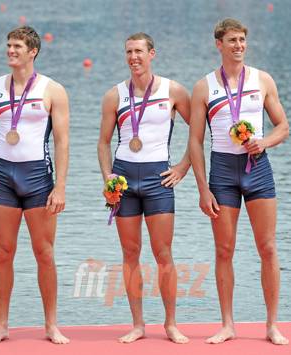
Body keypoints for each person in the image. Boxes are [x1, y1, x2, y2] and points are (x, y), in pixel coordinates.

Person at [188, 18, 289, 345]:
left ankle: (272, 325)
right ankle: (228, 324)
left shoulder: (263, 80)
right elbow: (194, 142)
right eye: (232, 40)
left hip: (257, 167)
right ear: (219, 44)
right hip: (222, 173)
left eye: (242, 40)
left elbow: (283, 127)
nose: (239, 46)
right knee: (224, 249)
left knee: (268, 247)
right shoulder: (205, 87)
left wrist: (264, 142)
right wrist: (203, 189)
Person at [0, 26, 70, 345]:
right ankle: (1, 325)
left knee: (44, 253)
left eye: (17, 46)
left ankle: (51, 325)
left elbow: (62, 141)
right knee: (4, 253)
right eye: (8, 45)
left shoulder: (52, 90)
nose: (11, 50)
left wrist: (60, 187)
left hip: (38, 178)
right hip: (2, 176)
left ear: (33, 52)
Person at [97, 32, 191, 344]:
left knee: (163, 253)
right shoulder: (115, 95)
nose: (133, 57)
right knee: (130, 253)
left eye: (139, 51)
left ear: (152, 54)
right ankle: (138, 325)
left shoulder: (173, 90)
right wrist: (107, 176)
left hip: (157, 179)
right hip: (123, 179)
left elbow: (199, 132)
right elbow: (103, 142)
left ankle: (171, 324)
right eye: (129, 52)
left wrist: (182, 167)